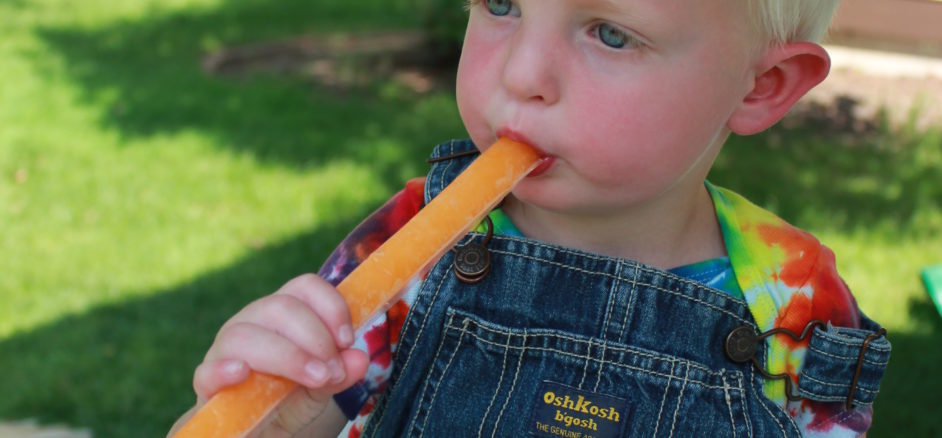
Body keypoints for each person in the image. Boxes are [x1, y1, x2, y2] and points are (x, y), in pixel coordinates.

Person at [170, 0, 892, 436]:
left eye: (609, 33)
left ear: (761, 85)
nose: (520, 75)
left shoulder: (798, 301)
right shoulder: (416, 242)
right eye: (502, 3)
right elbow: (294, 420)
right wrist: (262, 412)